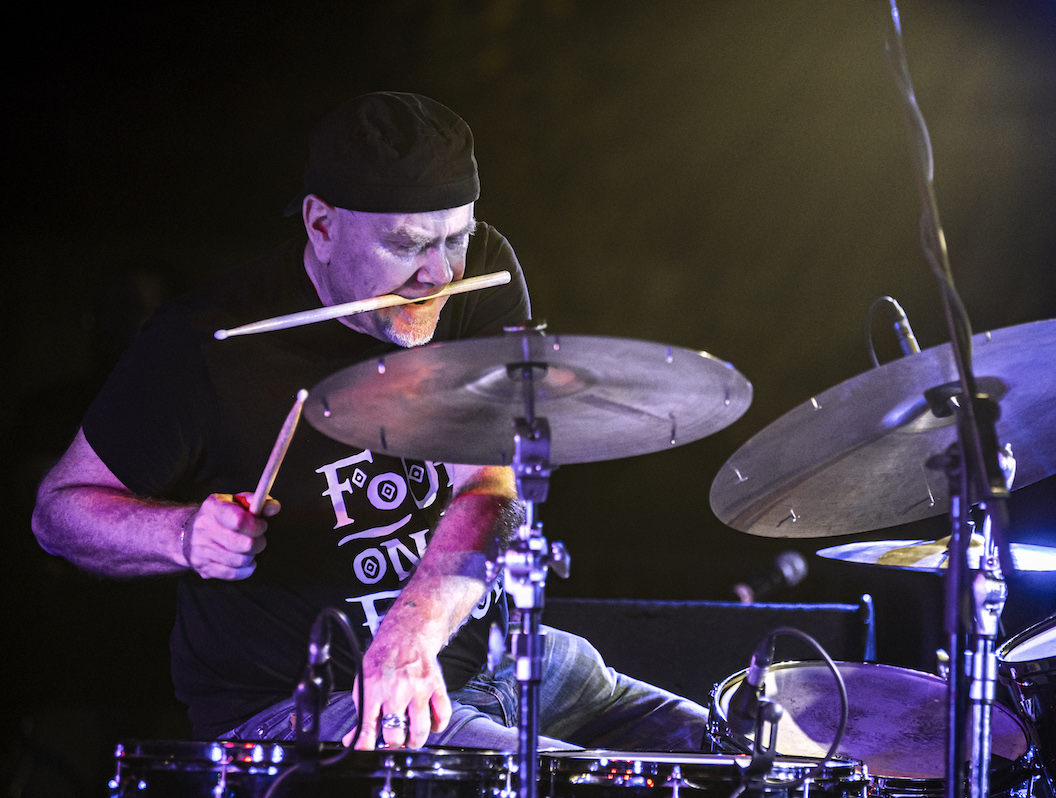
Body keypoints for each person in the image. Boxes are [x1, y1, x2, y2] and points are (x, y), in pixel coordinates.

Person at [31, 92, 707, 752]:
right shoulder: (207, 343)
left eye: (455, 238)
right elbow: (58, 513)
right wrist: (183, 535)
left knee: (735, 757)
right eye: (406, 245)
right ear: (321, 226)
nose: (437, 275)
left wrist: (409, 638)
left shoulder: (481, 274)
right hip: (304, 706)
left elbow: (490, 489)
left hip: (490, 658)